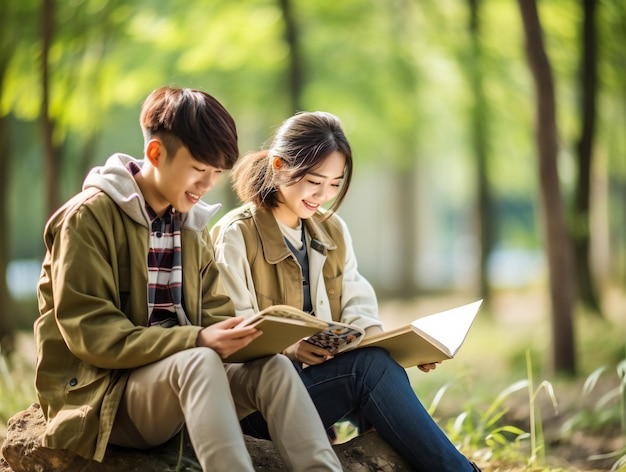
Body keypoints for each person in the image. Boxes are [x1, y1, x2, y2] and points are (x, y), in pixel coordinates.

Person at [33, 87, 343, 472]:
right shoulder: (88, 218)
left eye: (216, 173)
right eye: (199, 169)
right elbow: (91, 332)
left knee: (273, 367)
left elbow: (214, 315)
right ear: (156, 154)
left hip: (187, 386)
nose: (207, 184)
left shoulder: (191, 226)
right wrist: (196, 339)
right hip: (107, 398)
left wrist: (261, 336)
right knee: (197, 361)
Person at [211, 111, 482, 472]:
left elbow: (358, 308)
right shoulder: (236, 234)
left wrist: (407, 348)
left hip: (315, 388)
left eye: (335, 184)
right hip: (257, 404)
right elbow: (230, 329)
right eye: (314, 182)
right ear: (279, 166)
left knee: (377, 366)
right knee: (367, 371)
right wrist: (289, 346)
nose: (323, 195)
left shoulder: (332, 230)